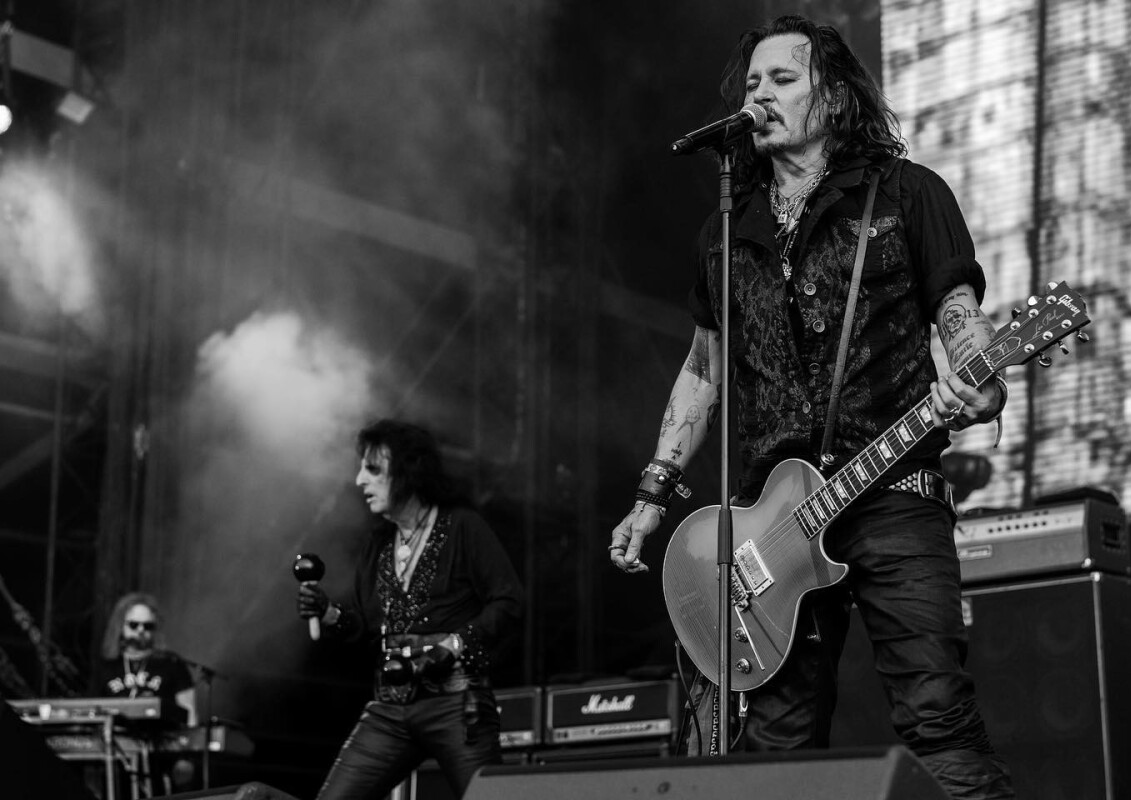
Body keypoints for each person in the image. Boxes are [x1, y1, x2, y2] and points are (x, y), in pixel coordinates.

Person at [609, 14, 1015, 800]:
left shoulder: (907, 193)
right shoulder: (727, 231)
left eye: (782, 79)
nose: (760, 95)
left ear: (832, 97)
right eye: (752, 83)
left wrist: (981, 383)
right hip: (772, 528)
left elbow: (958, 311)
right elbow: (702, 370)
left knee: (936, 718)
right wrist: (653, 492)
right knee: (775, 751)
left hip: (893, 490)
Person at [297, 419, 523, 800]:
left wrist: (454, 645)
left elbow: (510, 600)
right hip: (390, 707)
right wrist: (329, 613)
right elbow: (366, 626)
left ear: (408, 471)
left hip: (456, 703)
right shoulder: (378, 543)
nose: (359, 481)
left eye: (373, 469)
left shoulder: (463, 527)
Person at [96, 592, 196, 728]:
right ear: (120, 625)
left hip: (161, 737)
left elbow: (189, 713)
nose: (141, 630)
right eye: (134, 625)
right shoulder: (106, 665)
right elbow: (93, 712)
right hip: (116, 738)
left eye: (147, 626)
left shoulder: (172, 663)